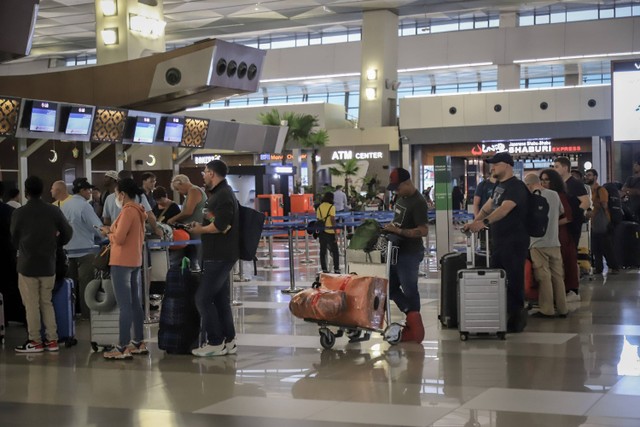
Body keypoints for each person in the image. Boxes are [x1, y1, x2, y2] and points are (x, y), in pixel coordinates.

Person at [463, 152, 529, 333]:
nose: (491, 168)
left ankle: (516, 319)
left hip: (514, 242)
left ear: (507, 165)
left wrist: (482, 223)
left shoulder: (516, 186)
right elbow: (488, 206)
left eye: (495, 164)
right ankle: (502, 315)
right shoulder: (499, 186)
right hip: (499, 241)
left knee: (514, 280)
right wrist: (475, 222)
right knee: (497, 279)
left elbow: (505, 209)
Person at [10, 175, 73, 353]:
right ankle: (52, 340)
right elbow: (67, 232)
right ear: (43, 190)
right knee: (46, 302)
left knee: (31, 304)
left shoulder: (19, 213)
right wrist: (56, 245)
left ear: (26, 191)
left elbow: (13, 238)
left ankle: (35, 340)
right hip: (48, 264)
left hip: (27, 264)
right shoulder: (53, 211)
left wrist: (23, 248)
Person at [189, 160, 239, 357]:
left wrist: (199, 229)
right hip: (217, 254)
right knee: (219, 299)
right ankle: (229, 340)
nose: (203, 175)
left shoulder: (223, 196)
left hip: (219, 255)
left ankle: (215, 341)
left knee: (202, 298)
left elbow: (221, 226)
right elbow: (214, 220)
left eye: (205, 172)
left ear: (212, 173)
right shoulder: (218, 195)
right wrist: (200, 225)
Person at [100, 178, 149, 359]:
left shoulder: (128, 211)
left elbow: (119, 239)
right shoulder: (139, 210)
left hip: (121, 261)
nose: (116, 196)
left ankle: (122, 346)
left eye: (116, 193)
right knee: (135, 303)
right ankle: (138, 341)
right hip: (135, 260)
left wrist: (108, 233)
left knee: (124, 305)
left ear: (122, 194)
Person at [383, 167, 429, 343]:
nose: (396, 191)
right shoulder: (401, 198)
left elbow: (423, 230)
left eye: (398, 187)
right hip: (396, 250)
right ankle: (411, 315)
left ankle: (415, 327)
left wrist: (399, 231)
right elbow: (399, 220)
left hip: (410, 253)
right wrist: (391, 227)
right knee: (391, 288)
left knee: (410, 289)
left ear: (407, 183)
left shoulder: (418, 202)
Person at [523, 173, 568, 318]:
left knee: (544, 276)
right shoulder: (554, 194)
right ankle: (562, 308)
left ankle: (547, 309)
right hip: (554, 242)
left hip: (537, 243)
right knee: (557, 275)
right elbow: (561, 212)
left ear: (529, 185)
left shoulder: (530, 198)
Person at [61, 178, 105, 319]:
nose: (90, 192)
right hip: (85, 251)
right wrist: (108, 234)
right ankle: (87, 315)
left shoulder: (64, 205)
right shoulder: (85, 206)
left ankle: (70, 314)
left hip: (68, 251)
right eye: (88, 190)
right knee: (86, 286)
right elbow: (97, 227)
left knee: (70, 286)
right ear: (81, 190)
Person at [540, 169, 580, 301]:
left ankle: (568, 290)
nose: (543, 183)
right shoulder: (544, 195)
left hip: (561, 234)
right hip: (551, 234)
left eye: (547, 180)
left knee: (564, 262)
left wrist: (552, 223)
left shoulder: (559, 195)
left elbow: (568, 217)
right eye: (542, 180)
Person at [103, 170, 161, 237]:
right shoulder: (139, 196)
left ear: (117, 181)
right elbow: (150, 215)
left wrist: (110, 232)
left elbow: (107, 221)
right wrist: (156, 230)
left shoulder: (109, 198)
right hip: (135, 236)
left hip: (117, 236)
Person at [584, 169, 620, 275]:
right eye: (586, 175)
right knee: (596, 247)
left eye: (589, 175)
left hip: (602, 222)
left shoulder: (601, 190)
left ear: (595, 177)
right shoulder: (589, 191)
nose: (587, 177)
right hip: (594, 222)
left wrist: (593, 206)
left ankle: (614, 266)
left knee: (606, 246)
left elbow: (604, 205)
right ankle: (598, 268)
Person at [553, 157, 589, 250]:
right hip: (561, 224)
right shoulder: (559, 185)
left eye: (557, 167)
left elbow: (586, 202)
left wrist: (574, 215)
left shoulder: (575, 184)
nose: (554, 169)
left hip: (572, 225)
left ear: (565, 168)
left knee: (570, 251)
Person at [316, 192, 340, 274]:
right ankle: (336, 268)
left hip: (322, 232)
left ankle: (324, 269)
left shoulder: (319, 207)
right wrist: (335, 232)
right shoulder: (331, 207)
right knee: (335, 251)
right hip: (330, 232)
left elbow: (318, 219)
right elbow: (332, 220)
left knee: (323, 251)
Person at [621, 154, 640, 221]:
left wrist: (628, 191)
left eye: (636, 165)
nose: (634, 167)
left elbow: (639, 192)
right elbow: (623, 189)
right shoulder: (630, 178)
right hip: (631, 208)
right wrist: (634, 191)